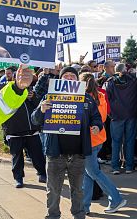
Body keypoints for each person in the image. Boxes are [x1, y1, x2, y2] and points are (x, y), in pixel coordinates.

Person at [31, 66, 103, 219]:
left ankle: (78, 215)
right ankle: (53, 216)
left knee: (78, 190)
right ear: (60, 79)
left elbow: (96, 117)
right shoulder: (49, 97)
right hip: (55, 153)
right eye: (66, 75)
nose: (69, 78)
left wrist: (97, 125)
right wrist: (41, 111)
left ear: (77, 80)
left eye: (72, 75)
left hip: (78, 154)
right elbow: (35, 120)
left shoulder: (86, 98)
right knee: (53, 189)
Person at [79, 73, 126, 214]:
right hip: (98, 139)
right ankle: (84, 206)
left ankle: (116, 199)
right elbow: (103, 117)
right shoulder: (100, 95)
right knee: (88, 173)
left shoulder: (84, 98)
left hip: (89, 141)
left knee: (93, 172)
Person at [105, 63, 137, 174]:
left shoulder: (110, 82)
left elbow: (107, 98)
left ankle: (115, 167)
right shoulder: (133, 80)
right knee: (129, 141)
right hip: (130, 114)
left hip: (116, 115)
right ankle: (129, 166)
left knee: (116, 142)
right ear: (125, 70)